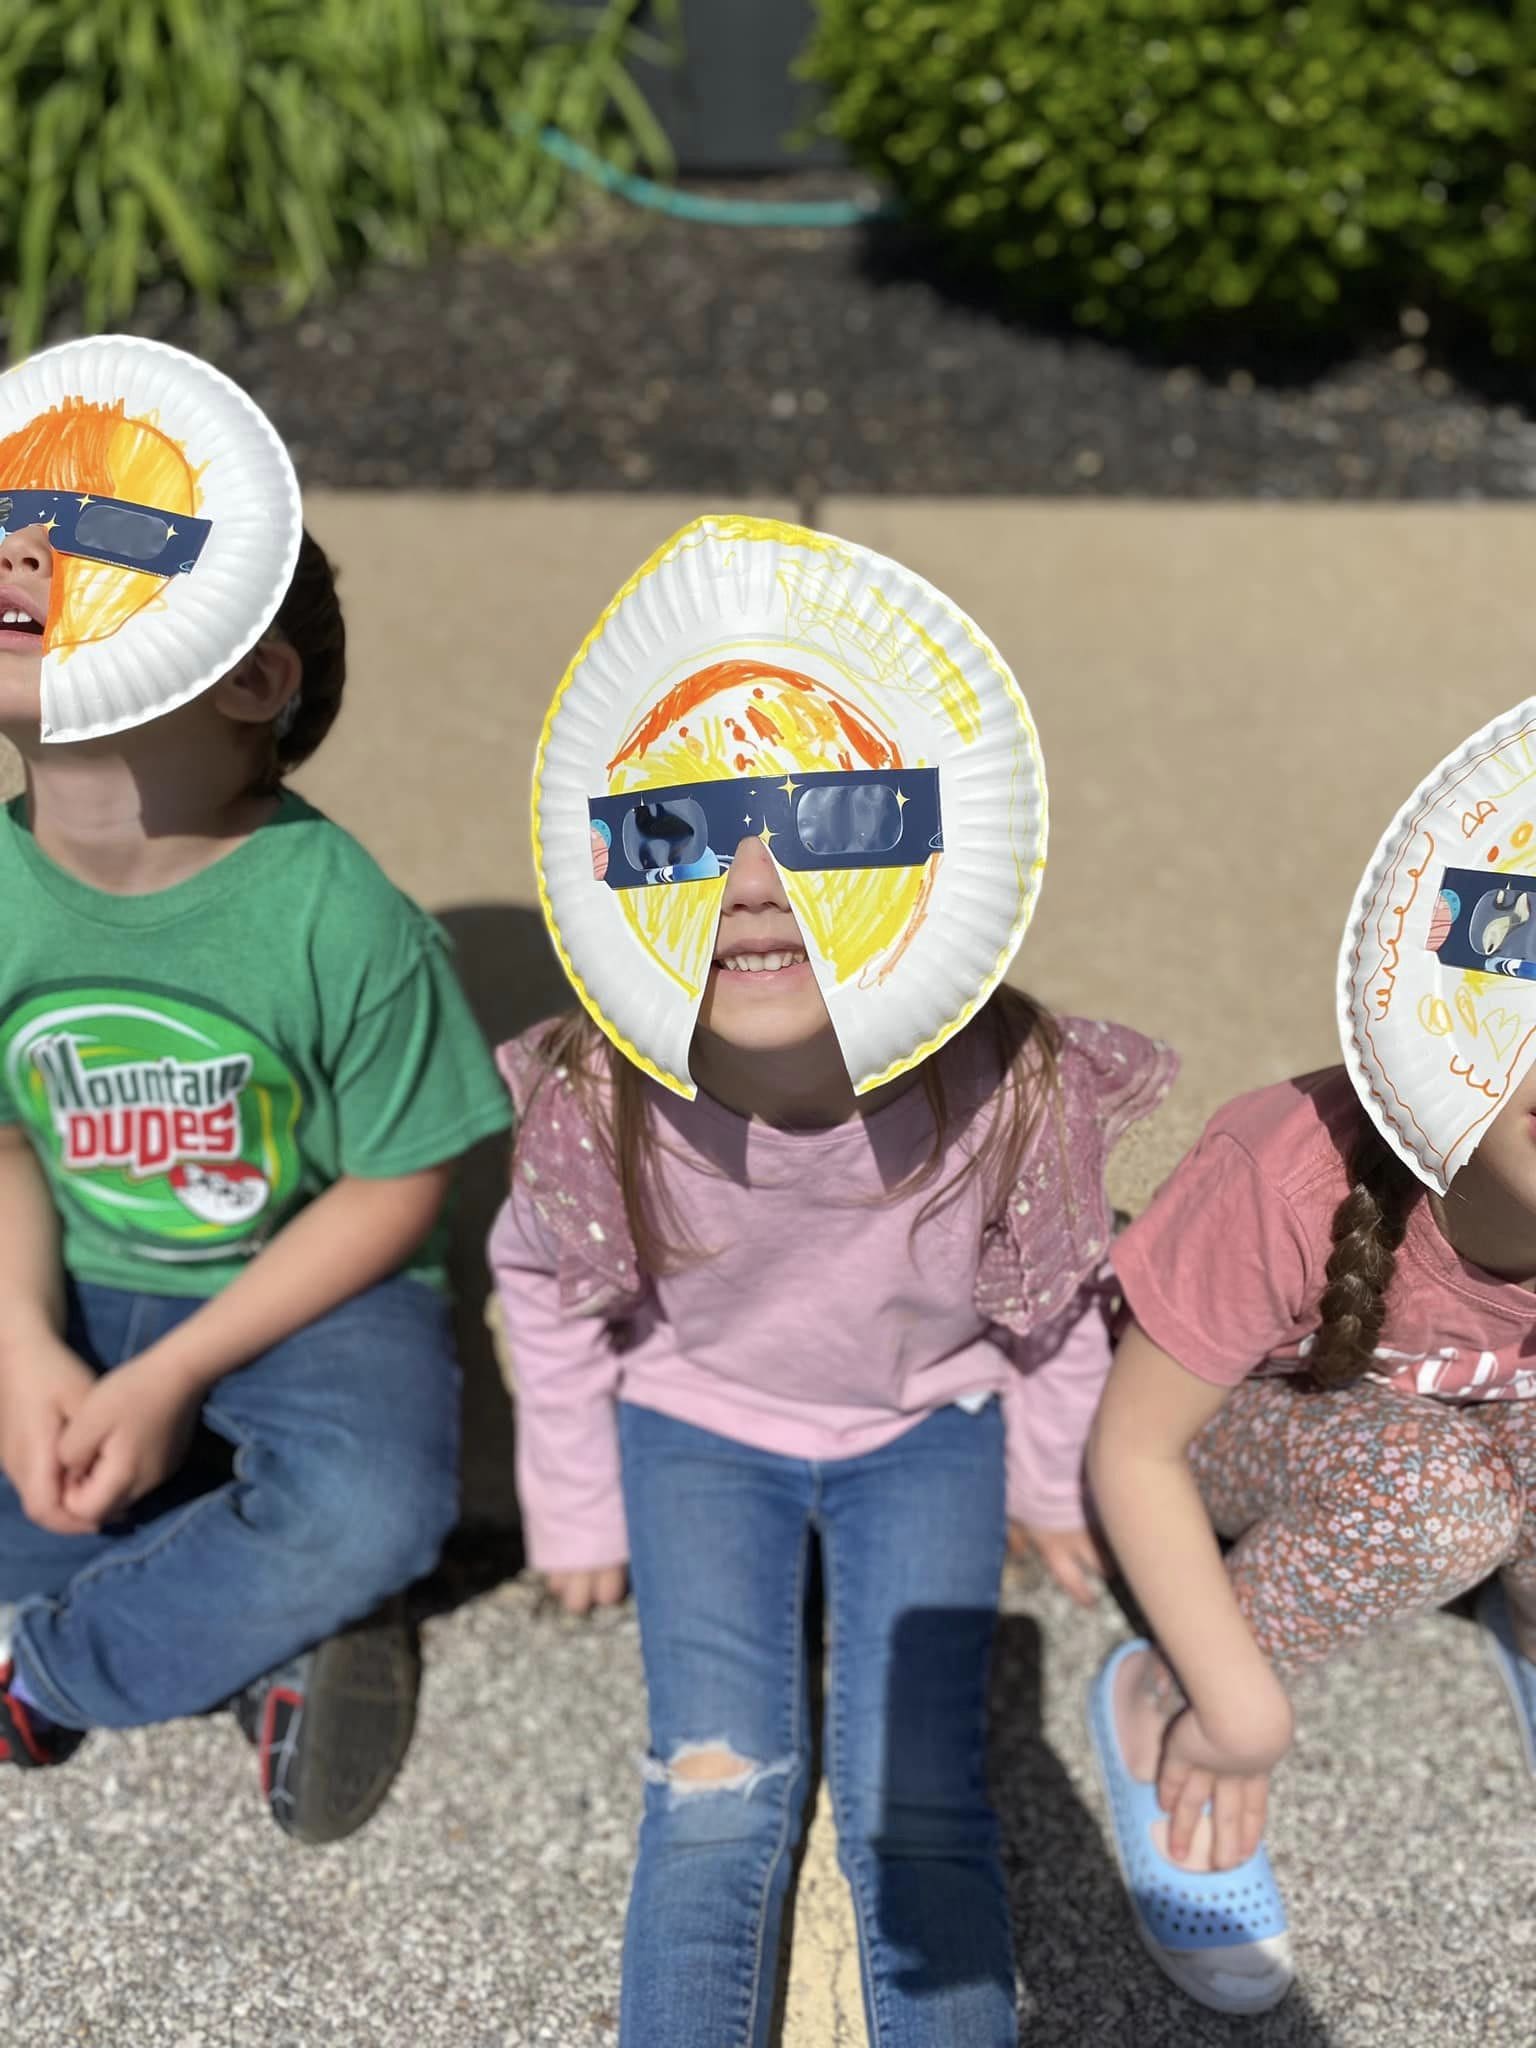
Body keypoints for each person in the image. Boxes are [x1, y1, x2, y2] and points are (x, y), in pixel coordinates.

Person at [492, 515, 1175, 2046]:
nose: (748, 874)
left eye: (821, 815)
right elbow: (540, 1287)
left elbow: (1060, 1306)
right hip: (695, 1424)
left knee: (924, 1808)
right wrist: (577, 1502)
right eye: (685, 828)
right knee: (714, 1798)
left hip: (926, 1429)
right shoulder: (594, 1091)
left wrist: (1058, 1487)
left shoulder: (1015, 1091)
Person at [0, 338, 510, 1843]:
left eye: (106, 546)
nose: (27, 553)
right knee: (54, 1483)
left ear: (252, 681)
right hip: (78, 1269)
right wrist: (29, 1344)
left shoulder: (338, 913)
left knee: (374, 1502)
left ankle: (66, 1664)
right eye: (16, 523)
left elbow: (395, 1183)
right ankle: (267, 1635)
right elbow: (11, 1142)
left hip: (309, 1293)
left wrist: (168, 1377)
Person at [1087, 694, 1536, 2014]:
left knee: (1456, 1477)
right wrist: (1244, 1712)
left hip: (1448, 1417)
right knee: (1433, 1498)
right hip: (1254, 1430)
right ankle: (1165, 1691)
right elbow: (1136, 1449)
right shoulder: (1288, 1171)